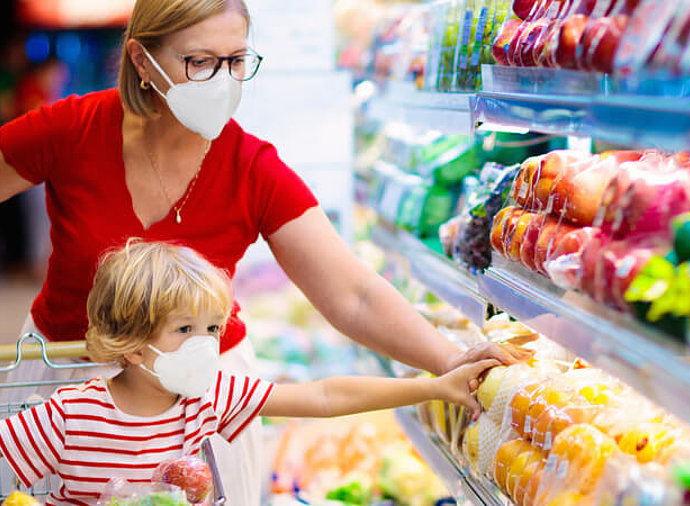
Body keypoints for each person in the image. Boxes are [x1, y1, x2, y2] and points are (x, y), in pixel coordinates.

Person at [0, 0, 529, 503]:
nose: (223, 81)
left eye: (235, 61)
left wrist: (451, 361)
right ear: (142, 59)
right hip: (67, 379)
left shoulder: (250, 166)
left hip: (199, 390)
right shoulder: (72, 130)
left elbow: (355, 295)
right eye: (200, 62)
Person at [0, 240, 498, 505]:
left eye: (213, 328)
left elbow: (323, 396)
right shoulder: (70, 417)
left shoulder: (209, 395)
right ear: (131, 345)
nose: (206, 346)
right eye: (184, 330)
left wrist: (434, 385)